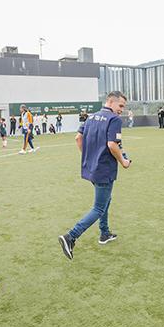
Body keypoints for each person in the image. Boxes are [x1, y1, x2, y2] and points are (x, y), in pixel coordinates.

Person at [58, 91, 131, 259]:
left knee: (106, 199)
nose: (122, 110)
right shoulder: (114, 119)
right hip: (104, 169)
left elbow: (78, 138)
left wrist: (89, 157)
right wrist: (123, 161)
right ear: (110, 102)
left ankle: (104, 233)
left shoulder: (90, 117)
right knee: (99, 207)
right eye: (120, 106)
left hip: (91, 168)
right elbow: (113, 145)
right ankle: (70, 237)